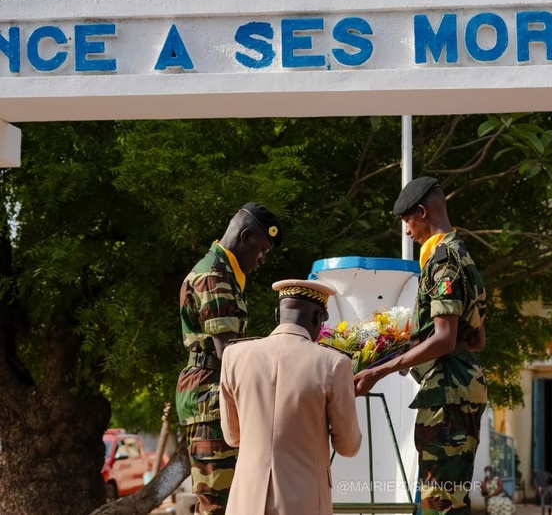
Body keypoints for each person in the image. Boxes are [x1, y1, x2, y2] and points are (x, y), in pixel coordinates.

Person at [354, 176, 488, 514]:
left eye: (406, 221)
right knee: (450, 501)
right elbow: (477, 339)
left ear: (423, 212)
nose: (406, 231)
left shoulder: (442, 260)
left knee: (439, 504)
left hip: (447, 395)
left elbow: (444, 338)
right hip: (460, 389)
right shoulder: (463, 255)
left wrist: (380, 369)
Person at [175, 202, 283, 515]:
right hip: (210, 399)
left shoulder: (225, 274)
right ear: (246, 236)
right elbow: (231, 352)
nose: (262, 259)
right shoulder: (213, 277)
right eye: (262, 249)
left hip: (218, 395)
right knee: (217, 505)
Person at [219, 279, 362, 515]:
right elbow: (348, 446)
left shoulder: (233, 356)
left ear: (277, 314)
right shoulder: (334, 364)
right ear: (318, 318)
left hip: (246, 502)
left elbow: (232, 437)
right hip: (304, 503)